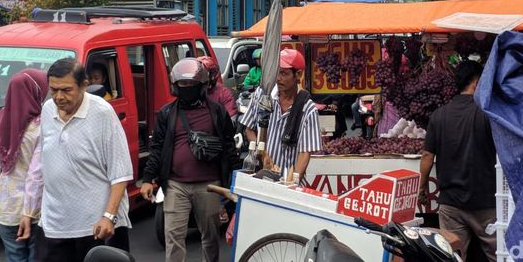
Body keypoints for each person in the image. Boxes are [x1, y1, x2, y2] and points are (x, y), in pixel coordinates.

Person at [140, 58, 240, 262]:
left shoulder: (217, 112)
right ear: (175, 87)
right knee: (173, 236)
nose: (186, 88)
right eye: (182, 85)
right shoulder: (167, 113)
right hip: (176, 185)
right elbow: (157, 147)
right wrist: (148, 178)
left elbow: (229, 147)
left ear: (202, 86)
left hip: (210, 186)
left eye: (191, 85)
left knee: (210, 237)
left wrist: (237, 179)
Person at [35, 58, 132, 262]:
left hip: (97, 226)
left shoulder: (102, 113)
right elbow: (43, 162)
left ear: (84, 85)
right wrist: (30, 211)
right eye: (54, 90)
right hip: (55, 224)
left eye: (66, 90)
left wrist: (109, 216)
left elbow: (121, 172)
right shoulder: (47, 110)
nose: (59, 97)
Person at [419, 60, 497, 262]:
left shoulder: (439, 115)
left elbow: (427, 156)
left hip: (450, 204)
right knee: (498, 255)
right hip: (486, 204)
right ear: (478, 83)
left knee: (452, 256)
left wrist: (422, 188)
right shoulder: (487, 114)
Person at [240, 48, 322, 181]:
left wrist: (293, 180)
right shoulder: (263, 94)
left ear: (298, 75)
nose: (278, 78)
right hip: (262, 174)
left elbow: (305, 152)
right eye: (277, 72)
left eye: (284, 73)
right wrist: (261, 152)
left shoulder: (308, 109)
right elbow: (249, 128)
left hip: (288, 179)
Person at [0, 69, 48, 262]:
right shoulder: (41, 125)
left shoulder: (0, 119)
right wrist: (29, 213)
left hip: (5, 207)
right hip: (34, 209)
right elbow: (37, 174)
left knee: (14, 257)